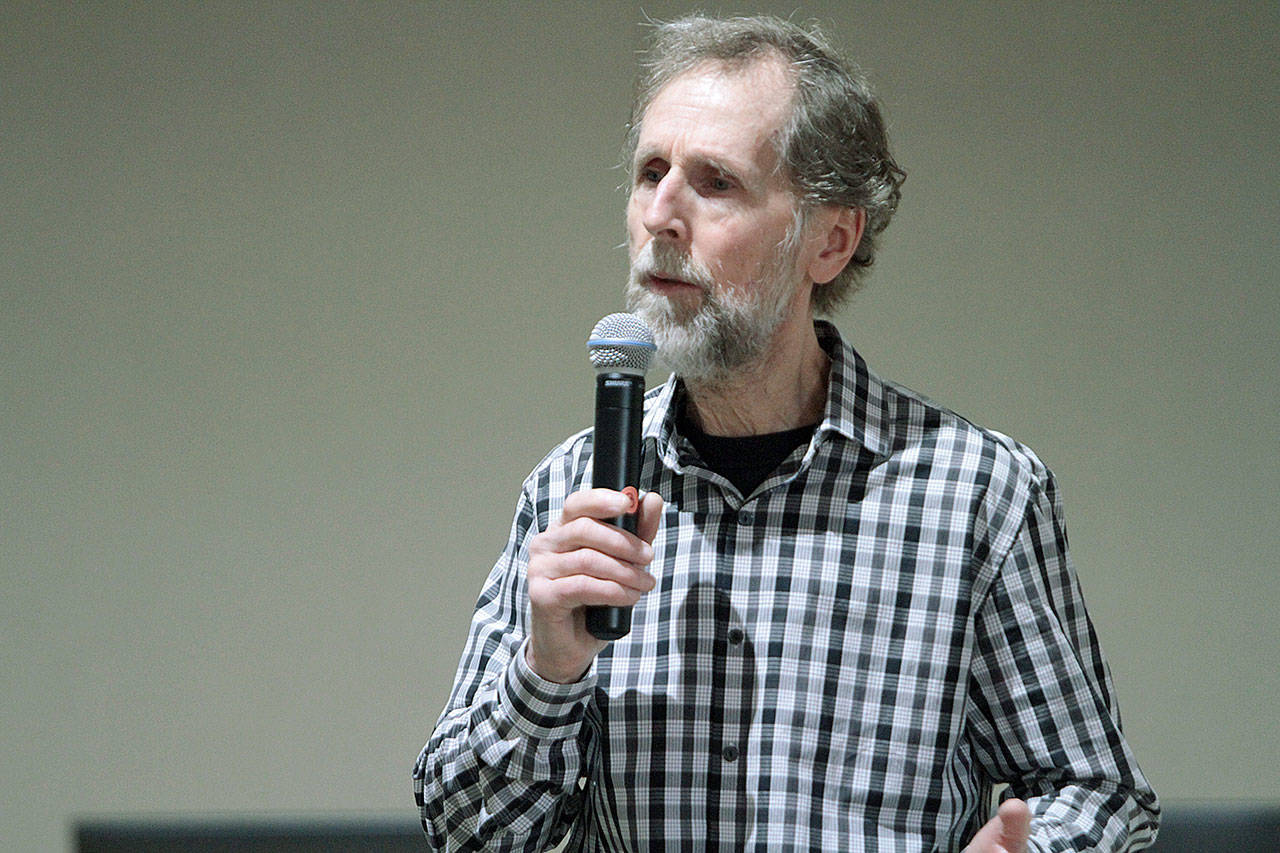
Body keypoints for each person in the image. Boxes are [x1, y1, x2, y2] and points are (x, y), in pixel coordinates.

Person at [414, 14, 1159, 852]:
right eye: (650, 171)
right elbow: (467, 833)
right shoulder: (569, 493)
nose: (661, 214)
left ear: (829, 241)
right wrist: (545, 674)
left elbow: (1095, 791)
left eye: (715, 182)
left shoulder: (974, 493)